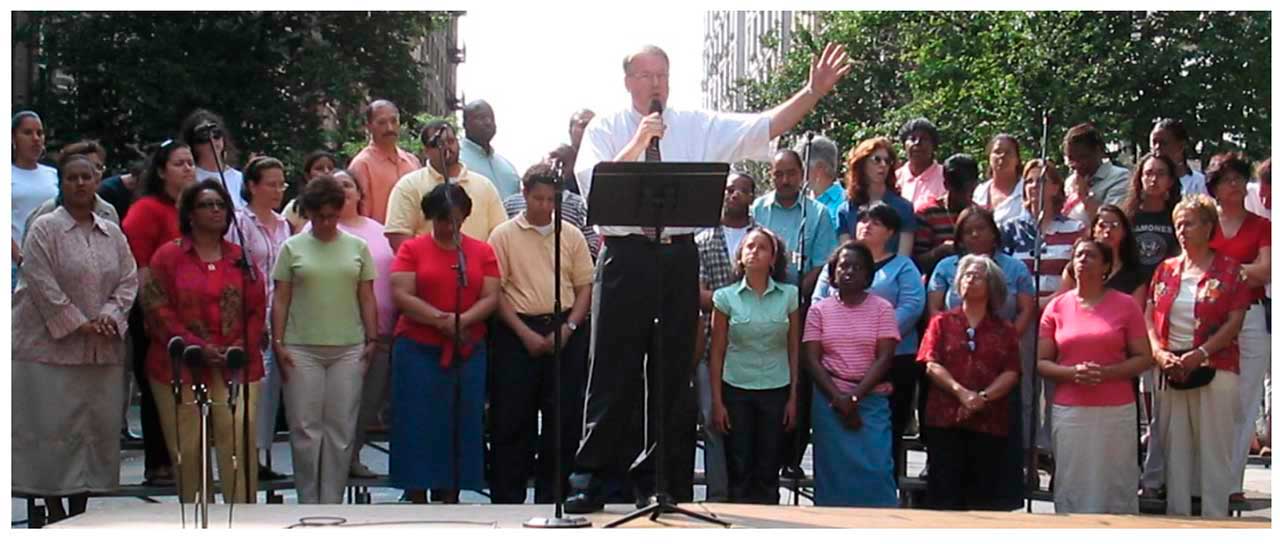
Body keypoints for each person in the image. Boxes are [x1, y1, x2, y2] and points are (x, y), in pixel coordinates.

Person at [565, 42, 851, 514]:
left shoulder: (696, 124)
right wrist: (639, 139)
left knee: (675, 371)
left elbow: (764, 125)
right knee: (612, 370)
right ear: (627, 81)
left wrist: (811, 92)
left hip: (677, 256)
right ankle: (593, 478)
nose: (655, 84)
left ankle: (664, 480)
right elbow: (593, 182)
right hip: (625, 255)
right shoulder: (608, 127)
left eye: (662, 74)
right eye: (645, 75)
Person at [11, 152, 138, 523]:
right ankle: (52, 512)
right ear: (61, 184)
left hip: (100, 349)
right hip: (49, 349)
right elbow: (39, 281)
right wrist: (78, 321)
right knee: (53, 433)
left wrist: (110, 316)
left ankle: (81, 514)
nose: (80, 184)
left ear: (97, 181)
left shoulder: (111, 230)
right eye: (72, 178)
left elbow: (128, 279)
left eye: (87, 177)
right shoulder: (45, 228)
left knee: (91, 434)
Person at [141, 179, 267, 503]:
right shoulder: (168, 257)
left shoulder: (242, 258)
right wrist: (195, 345)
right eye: (206, 205)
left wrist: (238, 345)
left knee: (237, 441)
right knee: (189, 448)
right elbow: (157, 308)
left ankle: (243, 521)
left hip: (235, 365)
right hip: (181, 366)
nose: (215, 210)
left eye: (220, 205)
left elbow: (256, 309)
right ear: (190, 214)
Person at [486, 163, 594, 504]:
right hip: (516, 331)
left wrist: (570, 327)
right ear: (525, 194)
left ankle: (554, 498)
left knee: (562, 421)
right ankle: (507, 499)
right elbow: (496, 292)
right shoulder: (502, 235)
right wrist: (523, 333)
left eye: (551, 199)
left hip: (564, 327)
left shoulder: (571, 235)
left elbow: (584, 287)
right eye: (538, 198)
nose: (545, 206)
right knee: (512, 419)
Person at [389, 183, 500, 504]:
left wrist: (462, 321)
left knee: (461, 420)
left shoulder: (481, 251)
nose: (449, 227)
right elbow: (401, 294)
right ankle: (415, 494)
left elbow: (491, 295)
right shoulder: (412, 249)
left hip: (467, 346)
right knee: (417, 420)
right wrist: (442, 319)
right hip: (418, 347)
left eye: (456, 220)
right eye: (442, 220)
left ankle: (452, 493)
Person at [272, 175, 378, 504]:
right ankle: (307, 502)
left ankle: (332, 503)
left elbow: (367, 297)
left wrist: (372, 339)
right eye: (319, 216)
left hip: (348, 348)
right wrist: (278, 342)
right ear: (309, 214)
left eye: (332, 215)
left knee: (341, 429)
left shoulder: (357, 247)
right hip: (301, 347)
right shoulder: (292, 247)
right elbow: (281, 298)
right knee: (305, 429)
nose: (326, 223)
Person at [1146, 194, 1251, 518]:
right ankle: (1178, 523)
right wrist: (1158, 352)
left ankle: (1216, 522)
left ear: (1209, 227)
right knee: (1175, 453)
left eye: (1189, 223)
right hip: (1171, 371)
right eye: (1178, 224)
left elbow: (1235, 322)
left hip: (1216, 369)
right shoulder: (1165, 269)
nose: (1182, 230)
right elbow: (1149, 313)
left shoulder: (1231, 270)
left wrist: (1200, 353)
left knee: (1213, 454)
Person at [1038, 238, 1152, 514]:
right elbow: (1041, 362)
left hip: (1116, 408)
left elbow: (1144, 357)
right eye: (1078, 255)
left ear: (1106, 267)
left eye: (1090, 255)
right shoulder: (1056, 307)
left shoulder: (1126, 305)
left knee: (1116, 481)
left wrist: (1108, 372)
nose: (1082, 260)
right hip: (1070, 409)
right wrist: (1072, 373)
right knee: (1073, 481)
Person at [814, 203, 925, 478]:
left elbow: (912, 305)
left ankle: (886, 490)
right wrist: (845, 333)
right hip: (836, 367)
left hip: (892, 361)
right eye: (862, 220)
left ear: (890, 232)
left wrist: (872, 333)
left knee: (886, 437)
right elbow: (819, 301)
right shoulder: (837, 263)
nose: (866, 225)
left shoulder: (903, 266)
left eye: (875, 222)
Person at [916, 254, 1020, 511]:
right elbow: (931, 362)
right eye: (965, 275)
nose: (970, 280)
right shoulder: (941, 322)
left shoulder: (1004, 329)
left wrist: (982, 398)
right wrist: (961, 393)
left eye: (977, 276)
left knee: (983, 498)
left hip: (989, 421)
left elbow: (1011, 371)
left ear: (992, 286)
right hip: (945, 419)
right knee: (945, 496)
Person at [313, 170, 397, 480]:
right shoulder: (316, 229)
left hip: (379, 334)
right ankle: (326, 463)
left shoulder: (379, 231)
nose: (342, 191)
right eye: (336, 186)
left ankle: (352, 455)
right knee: (333, 405)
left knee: (366, 403)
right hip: (335, 333)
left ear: (360, 194)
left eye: (348, 185)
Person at [121, 138, 196, 486]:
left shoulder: (194, 209)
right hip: (151, 311)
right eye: (180, 163)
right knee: (155, 385)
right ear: (162, 170)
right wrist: (153, 312)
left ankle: (187, 458)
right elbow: (137, 264)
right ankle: (158, 463)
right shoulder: (147, 209)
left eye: (191, 162)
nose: (188, 169)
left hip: (191, 312)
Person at [802, 241, 899, 506]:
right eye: (843, 266)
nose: (849, 272)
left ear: (868, 274)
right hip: (829, 400)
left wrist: (854, 398)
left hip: (871, 398)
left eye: (857, 267)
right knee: (833, 472)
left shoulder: (882, 309)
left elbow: (885, 357)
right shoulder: (818, 310)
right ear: (832, 273)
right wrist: (839, 399)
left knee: (877, 469)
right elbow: (811, 359)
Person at [708, 227, 800, 504]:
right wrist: (717, 401)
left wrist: (794, 397)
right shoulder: (724, 298)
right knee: (740, 462)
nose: (754, 252)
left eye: (761, 247)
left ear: (773, 258)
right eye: (749, 246)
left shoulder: (789, 295)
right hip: (736, 388)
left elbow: (794, 349)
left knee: (768, 464)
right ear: (739, 257)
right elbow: (717, 352)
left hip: (776, 387)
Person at [1204, 155, 1271, 502]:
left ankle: (1231, 484)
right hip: (1209, 319)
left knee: (1244, 401)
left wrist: (1224, 274)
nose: (1236, 185)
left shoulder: (1261, 225)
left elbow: (1266, 270)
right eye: (1228, 179)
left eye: (1240, 178)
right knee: (1212, 397)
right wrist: (1240, 272)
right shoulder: (1205, 222)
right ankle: (1204, 477)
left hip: (1252, 315)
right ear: (1214, 185)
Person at [226, 156, 293, 482]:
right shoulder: (238, 223)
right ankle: (240, 457)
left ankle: (259, 456)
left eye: (282, 184)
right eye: (271, 183)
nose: (278, 190)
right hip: (247, 319)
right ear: (251, 186)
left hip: (277, 319)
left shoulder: (284, 225)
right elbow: (230, 274)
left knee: (269, 393)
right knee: (246, 390)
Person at [694, 172, 758, 502]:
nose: (734, 194)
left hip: (754, 347)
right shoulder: (703, 238)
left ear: (752, 196)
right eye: (729, 189)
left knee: (748, 420)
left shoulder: (762, 238)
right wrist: (737, 301)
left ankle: (748, 492)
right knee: (712, 419)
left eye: (742, 190)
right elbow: (698, 293)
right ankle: (718, 494)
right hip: (708, 344)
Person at [383, 120, 507, 252]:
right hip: (428, 270)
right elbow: (399, 237)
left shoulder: (484, 185)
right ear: (426, 151)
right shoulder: (408, 186)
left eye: (451, 141)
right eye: (439, 144)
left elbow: (499, 233)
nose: (447, 148)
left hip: (476, 269)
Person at [999, 159, 1085, 305]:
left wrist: (1049, 302)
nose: (1033, 186)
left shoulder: (1075, 229)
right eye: (1028, 181)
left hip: (1062, 309)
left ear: (1056, 187)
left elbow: (1078, 275)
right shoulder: (1010, 229)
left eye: (1041, 181)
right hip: (1018, 311)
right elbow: (1002, 273)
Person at [751, 148, 838, 289]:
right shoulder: (758, 209)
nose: (785, 180)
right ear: (770, 176)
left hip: (802, 300)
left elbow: (822, 265)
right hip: (759, 297)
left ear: (802, 174)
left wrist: (794, 298)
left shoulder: (819, 213)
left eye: (791, 173)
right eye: (778, 174)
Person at [502, 148, 600, 259]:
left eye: (563, 162)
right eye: (552, 157)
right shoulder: (510, 204)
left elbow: (591, 247)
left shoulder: (580, 206)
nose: (555, 164)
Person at [22, 140, 120, 239]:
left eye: (99, 167)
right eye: (87, 168)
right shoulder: (46, 213)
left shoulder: (108, 212)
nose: (96, 173)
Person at [839, 137, 917, 257]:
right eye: (877, 160)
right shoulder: (846, 210)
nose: (883, 165)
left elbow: (904, 258)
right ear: (862, 163)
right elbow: (847, 255)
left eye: (887, 161)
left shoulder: (904, 208)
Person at [348, 99, 422, 224]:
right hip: (379, 240)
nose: (389, 128)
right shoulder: (362, 165)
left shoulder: (412, 162)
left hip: (414, 239)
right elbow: (359, 217)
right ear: (369, 126)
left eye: (394, 121)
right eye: (382, 122)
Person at [12, 111, 59, 291]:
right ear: (13, 138)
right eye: (28, 133)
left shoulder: (53, 174)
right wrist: (19, 257)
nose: (35, 138)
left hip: (51, 263)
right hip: (14, 265)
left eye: (39, 133)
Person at [913, 153, 979, 277]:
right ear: (946, 185)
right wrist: (940, 251)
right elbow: (916, 263)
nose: (966, 196)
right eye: (960, 191)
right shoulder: (928, 213)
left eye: (970, 190)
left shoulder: (978, 215)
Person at [1124, 152, 1184, 283]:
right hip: (1132, 287)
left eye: (1161, 174)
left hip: (1168, 285)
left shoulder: (1179, 217)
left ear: (1171, 180)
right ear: (1140, 178)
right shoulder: (1126, 216)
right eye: (1148, 173)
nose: (1153, 179)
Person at [1062, 123, 1131, 224]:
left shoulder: (1120, 178)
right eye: (1071, 158)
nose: (1075, 164)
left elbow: (1110, 223)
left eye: (1082, 157)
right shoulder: (1070, 182)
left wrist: (1084, 196)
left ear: (1098, 151)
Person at [180, 109, 246, 209]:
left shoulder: (240, 178)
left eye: (216, 134)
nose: (212, 141)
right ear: (192, 144)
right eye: (203, 137)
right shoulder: (190, 178)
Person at [459, 99, 522, 200]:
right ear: (464, 124)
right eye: (481, 117)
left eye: (491, 118)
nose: (488, 122)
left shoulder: (509, 168)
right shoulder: (455, 161)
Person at [972, 134, 1025, 224]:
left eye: (1008, 152)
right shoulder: (980, 192)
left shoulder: (1027, 191)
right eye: (997, 151)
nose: (1002, 156)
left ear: (1017, 159)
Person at [895, 118, 945, 212]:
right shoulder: (894, 178)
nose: (917, 143)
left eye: (924, 139)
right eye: (912, 139)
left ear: (934, 146)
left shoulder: (946, 177)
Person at [1149, 118, 1208, 196]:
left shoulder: (1199, 184)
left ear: (1181, 146)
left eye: (1163, 143)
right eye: (1154, 142)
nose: (1157, 147)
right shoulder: (1146, 182)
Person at [282, 150, 338, 232]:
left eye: (330, 168)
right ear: (307, 176)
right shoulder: (295, 208)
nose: (326, 172)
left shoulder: (343, 205)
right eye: (319, 168)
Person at [796, 135, 844, 226]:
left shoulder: (846, 203)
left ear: (820, 168)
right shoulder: (800, 203)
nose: (798, 173)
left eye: (802, 168)